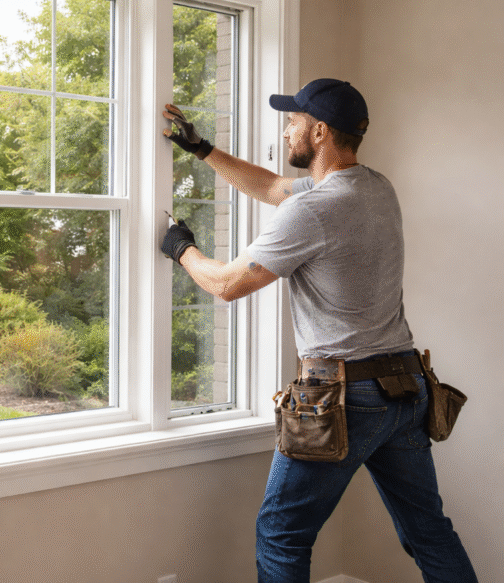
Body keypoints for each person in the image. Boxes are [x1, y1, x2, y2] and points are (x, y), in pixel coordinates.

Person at [160, 79, 477, 583]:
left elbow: (226, 285)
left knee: (282, 534)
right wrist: (202, 150)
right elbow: (270, 187)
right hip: (406, 389)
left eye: (293, 122)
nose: (286, 131)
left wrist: (182, 249)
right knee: (429, 532)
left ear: (321, 131)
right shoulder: (375, 186)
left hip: (345, 397)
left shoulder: (313, 210)